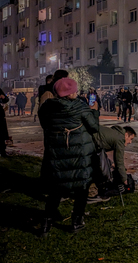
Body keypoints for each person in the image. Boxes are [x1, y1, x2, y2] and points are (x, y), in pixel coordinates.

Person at [39, 78, 100, 236]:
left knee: (56, 190)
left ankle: (46, 223)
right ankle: (77, 221)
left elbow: (45, 125)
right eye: (74, 90)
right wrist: (94, 111)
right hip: (79, 155)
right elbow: (94, 127)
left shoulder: (47, 108)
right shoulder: (80, 107)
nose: (76, 92)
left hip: (57, 154)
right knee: (81, 189)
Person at [89, 125, 137, 202]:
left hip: (89, 140)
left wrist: (111, 163)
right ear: (126, 135)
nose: (130, 142)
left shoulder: (115, 133)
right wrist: (124, 180)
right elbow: (119, 161)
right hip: (89, 144)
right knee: (101, 170)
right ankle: (101, 194)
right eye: (130, 139)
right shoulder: (120, 139)